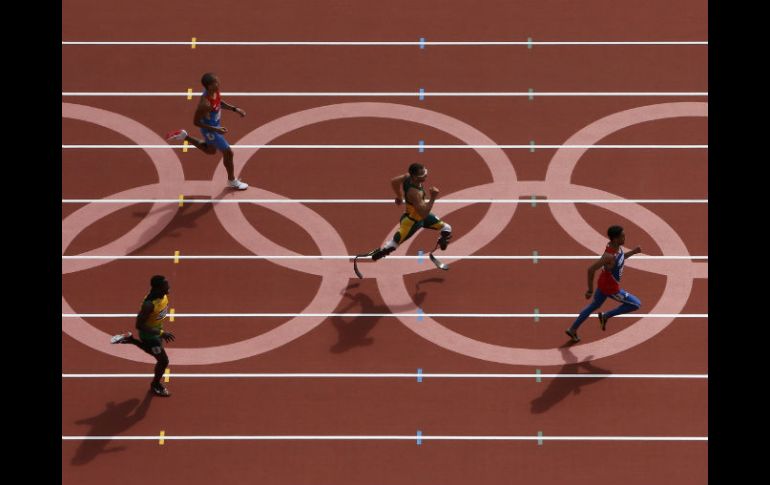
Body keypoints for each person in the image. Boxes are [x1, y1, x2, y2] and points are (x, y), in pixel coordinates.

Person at [165, 72, 248, 190]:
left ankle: (185, 136)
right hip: (210, 130)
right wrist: (216, 129)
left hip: (215, 125)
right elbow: (196, 122)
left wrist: (234, 109)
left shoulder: (214, 91)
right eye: (216, 82)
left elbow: (219, 102)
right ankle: (232, 180)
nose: (218, 83)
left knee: (210, 151)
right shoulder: (204, 104)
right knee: (228, 152)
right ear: (209, 86)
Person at [361, 163, 453, 265]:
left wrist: (399, 196)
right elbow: (424, 213)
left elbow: (394, 181)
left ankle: (442, 240)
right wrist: (433, 197)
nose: (426, 175)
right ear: (415, 177)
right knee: (393, 244)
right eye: (423, 174)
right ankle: (376, 255)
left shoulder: (408, 177)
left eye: (425, 171)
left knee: (447, 228)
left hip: (420, 216)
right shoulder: (414, 193)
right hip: (412, 222)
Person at [565, 225, 642, 342]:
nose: (625, 238)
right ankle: (606, 316)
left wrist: (633, 252)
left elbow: (620, 258)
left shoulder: (616, 247)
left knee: (593, 306)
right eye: (623, 236)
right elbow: (591, 269)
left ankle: (572, 329)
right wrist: (590, 290)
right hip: (611, 289)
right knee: (636, 304)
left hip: (603, 283)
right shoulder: (608, 256)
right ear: (615, 239)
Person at [110, 275, 175, 396]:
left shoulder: (163, 296)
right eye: (166, 285)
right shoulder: (149, 305)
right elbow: (139, 325)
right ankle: (155, 385)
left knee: (154, 352)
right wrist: (161, 333)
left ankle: (131, 340)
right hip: (149, 335)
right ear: (158, 288)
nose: (169, 287)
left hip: (156, 330)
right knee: (163, 361)